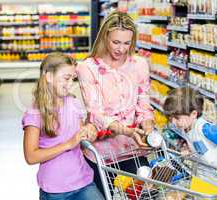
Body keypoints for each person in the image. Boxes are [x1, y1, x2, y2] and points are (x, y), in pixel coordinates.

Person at [76, 11, 154, 195]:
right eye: (116, 42)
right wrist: (127, 130)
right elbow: (95, 113)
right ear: (105, 37)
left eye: (127, 43)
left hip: (134, 151)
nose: (121, 49)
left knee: (144, 195)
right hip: (102, 154)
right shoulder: (88, 68)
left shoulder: (139, 64)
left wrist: (148, 128)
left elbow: (144, 105)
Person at [22, 53, 104, 200]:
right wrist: (68, 144)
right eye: (66, 78)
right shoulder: (35, 113)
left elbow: (81, 140)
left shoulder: (74, 104)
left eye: (73, 79)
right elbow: (31, 156)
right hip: (55, 190)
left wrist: (90, 131)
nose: (70, 84)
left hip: (83, 181)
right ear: (49, 77)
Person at [163, 87, 217, 175]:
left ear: (193, 114)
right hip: (205, 175)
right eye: (170, 118)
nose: (173, 122)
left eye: (177, 118)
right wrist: (190, 151)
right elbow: (201, 147)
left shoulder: (203, 127)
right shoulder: (186, 128)